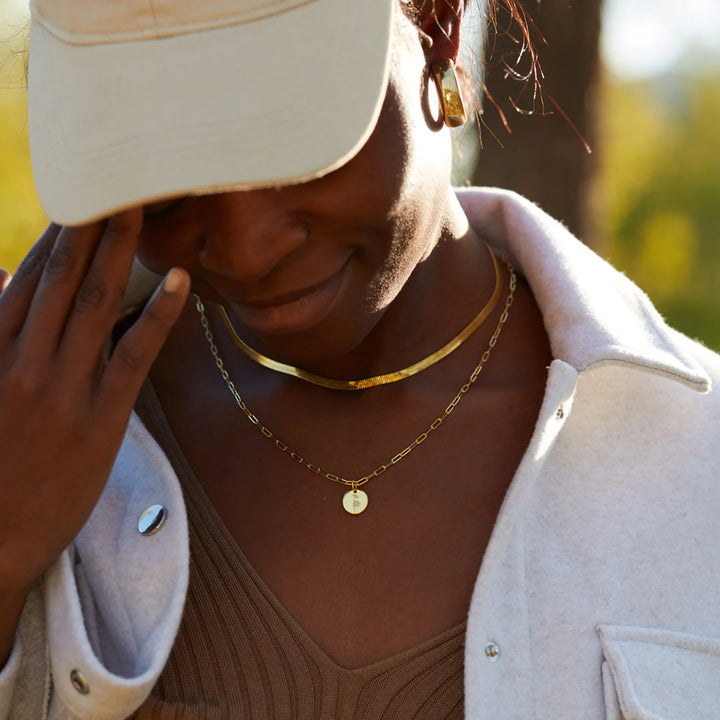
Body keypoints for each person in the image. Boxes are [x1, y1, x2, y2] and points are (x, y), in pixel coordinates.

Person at [1, 0, 719, 717]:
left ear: (437, 26)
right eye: (162, 180)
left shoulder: (698, 457)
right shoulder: (31, 440)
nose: (250, 247)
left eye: (297, 140)